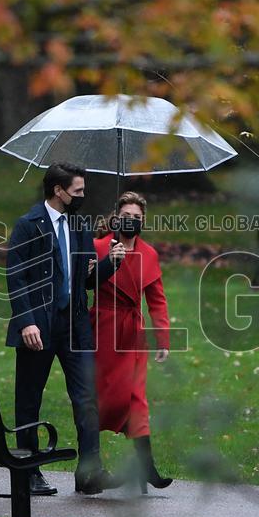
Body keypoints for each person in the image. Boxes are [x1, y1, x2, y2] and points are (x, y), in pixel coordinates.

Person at [5, 162, 127, 495]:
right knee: (29, 400)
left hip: (75, 325)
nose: (82, 195)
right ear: (58, 191)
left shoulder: (79, 226)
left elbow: (86, 280)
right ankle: (28, 472)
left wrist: (111, 263)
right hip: (38, 326)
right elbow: (15, 277)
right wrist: (27, 322)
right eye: (78, 190)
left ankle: (90, 473)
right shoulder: (28, 225)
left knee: (86, 398)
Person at [91, 191, 173, 494]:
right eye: (126, 216)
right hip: (103, 331)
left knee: (138, 399)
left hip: (133, 333)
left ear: (143, 221)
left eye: (137, 217)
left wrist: (162, 338)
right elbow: (84, 283)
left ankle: (146, 467)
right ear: (116, 218)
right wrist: (109, 262)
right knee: (104, 400)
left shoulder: (149, 254)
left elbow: (157, 300)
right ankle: (88, 470)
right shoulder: (99, 246)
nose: (131, 221)